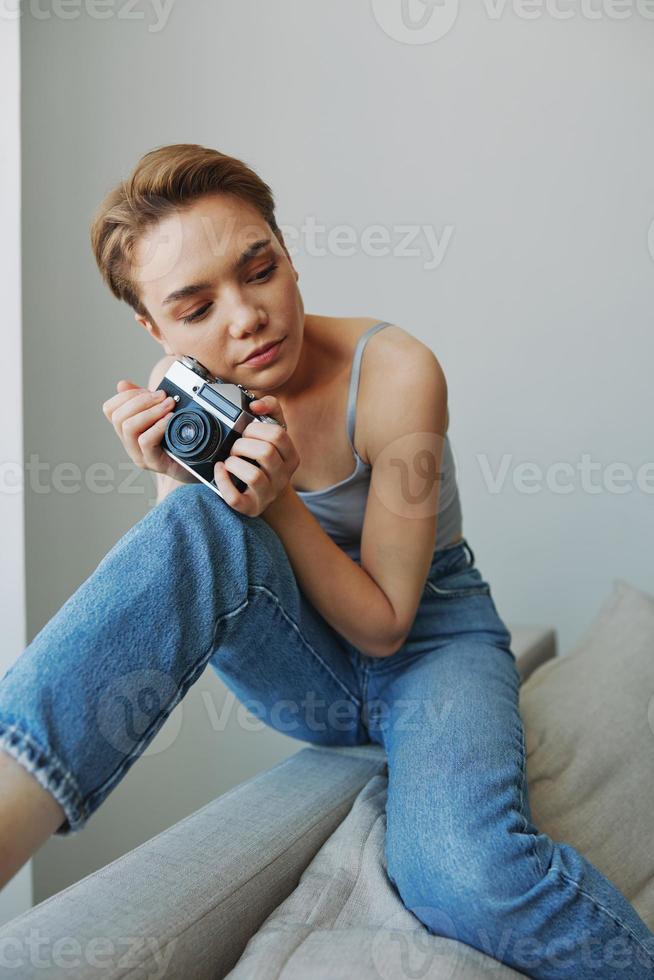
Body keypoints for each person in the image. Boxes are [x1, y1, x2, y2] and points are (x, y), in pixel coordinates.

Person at [0, 143, 652, 978]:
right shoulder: (187, 389)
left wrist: (275, 502)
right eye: (195, 308)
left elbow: (385, 627)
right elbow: (197, 567)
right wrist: (174, 476)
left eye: (259, 269)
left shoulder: (397, 374)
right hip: (303, 665)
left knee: (462, 877)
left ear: (288, 253)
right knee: (202, 522)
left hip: (428, 639)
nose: (245, 317)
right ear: (155, 332)